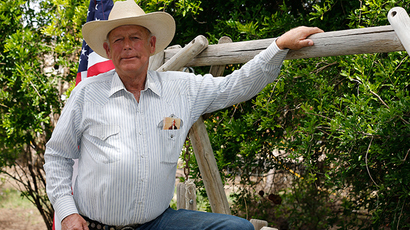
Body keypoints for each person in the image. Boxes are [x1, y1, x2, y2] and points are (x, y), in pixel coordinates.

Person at [44, 0, 324, 229]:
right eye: (118, 39)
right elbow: (58, 156)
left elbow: (235, 86)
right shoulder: (87, 94)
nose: (127, 45)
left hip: (158, 222)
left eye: (135, 38)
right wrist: (68, 213)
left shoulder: (182, 89)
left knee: (237, 229)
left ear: (152, 45)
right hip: (97, 226)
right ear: (107, 50)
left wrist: (278, 46)